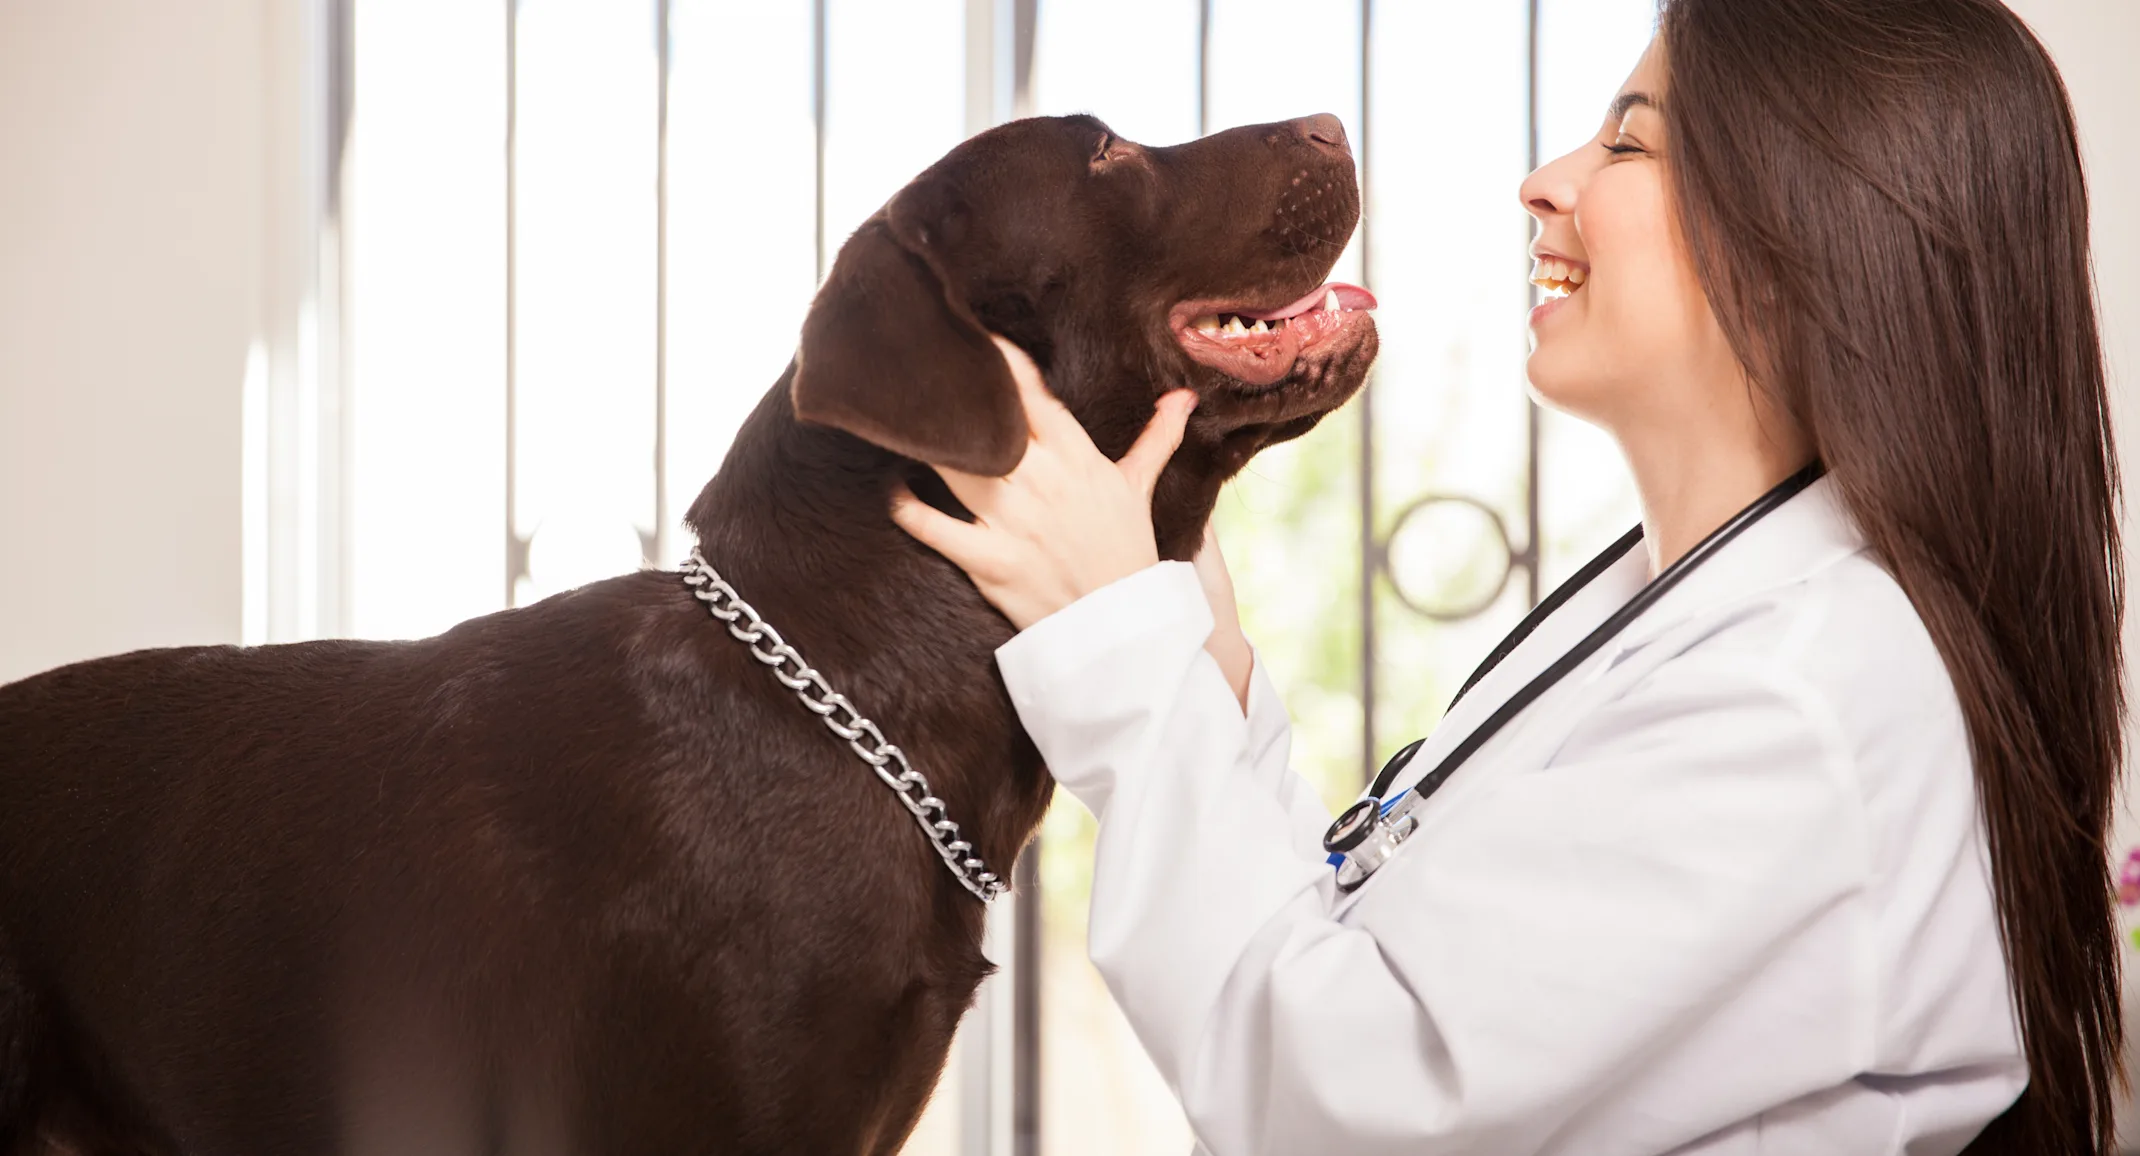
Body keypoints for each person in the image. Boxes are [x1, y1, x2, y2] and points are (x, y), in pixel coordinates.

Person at [891, 0, 2124, 1151]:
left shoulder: (1805, 704)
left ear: (1807, 227)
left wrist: (1128, 668)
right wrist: (1195, 640)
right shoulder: (1695, 613)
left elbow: (1339, 1098)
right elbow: (1358, 946)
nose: (1544, 183)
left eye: (1627, 147)